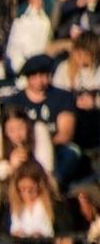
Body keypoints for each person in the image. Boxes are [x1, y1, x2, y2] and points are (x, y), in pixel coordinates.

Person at [6, 54, 83, 185]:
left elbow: (66, 133)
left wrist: (43, 146)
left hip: (57, 148)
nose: (40, 81)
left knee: (71, 154)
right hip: (23, 150)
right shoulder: (15, 101)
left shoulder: (62, 97)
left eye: (44, 75)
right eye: (35, 76)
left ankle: (52, 186)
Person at [0, 105, 56, 212]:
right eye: (11, 130)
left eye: (20, 128)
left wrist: (28, 164)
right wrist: (9, 167)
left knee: (51, 182)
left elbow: (47, 167)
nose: (17, 135)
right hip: (10, 182)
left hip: (36, 180)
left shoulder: (39, 130)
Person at [6, 0, 53, 75]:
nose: (38, 1)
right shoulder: (21, 21)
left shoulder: (45, 21)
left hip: (39, 56)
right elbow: (16, 41)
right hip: (22, 58)